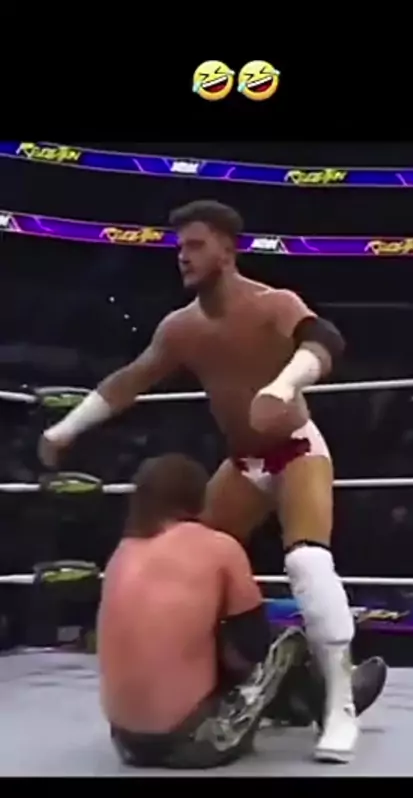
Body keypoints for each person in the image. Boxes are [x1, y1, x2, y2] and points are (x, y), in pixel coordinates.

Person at [40, 199, 383, 763]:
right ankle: (223, 686)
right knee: (190, 560)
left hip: (297, 450)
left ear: (227, 249)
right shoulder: (182, 327)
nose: (183, 256)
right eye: (180, 247)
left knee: (307, 563)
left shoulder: (273, 304)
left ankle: (339, 707)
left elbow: (325, 340)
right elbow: (131, 379)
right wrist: (66, 428)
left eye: (195, 245)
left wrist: (283, 386)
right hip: (242, 464)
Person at [97, 453, 385, 769]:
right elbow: (253, 648)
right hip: (193, 742)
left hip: (126, 743)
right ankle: (333, 702)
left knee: (207, 642)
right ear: (197, 495)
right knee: (288, 643)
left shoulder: (121, 555)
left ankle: (298, 705)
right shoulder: (218, 547)